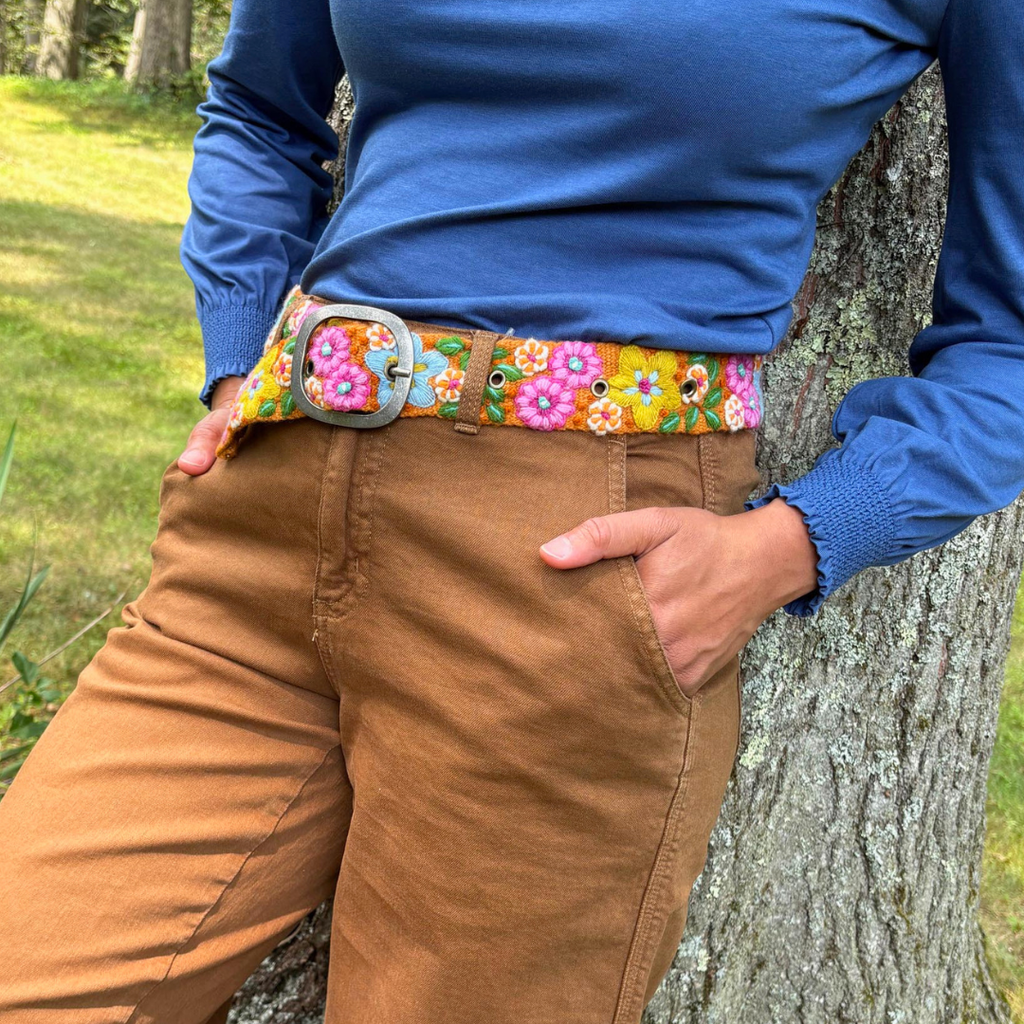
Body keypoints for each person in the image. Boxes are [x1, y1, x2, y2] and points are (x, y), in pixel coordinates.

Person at [2, 0, 1022, 1021]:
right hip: (254, 542)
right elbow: (260, 111)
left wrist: (798, 539)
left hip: (563, 587)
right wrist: (237, 360)